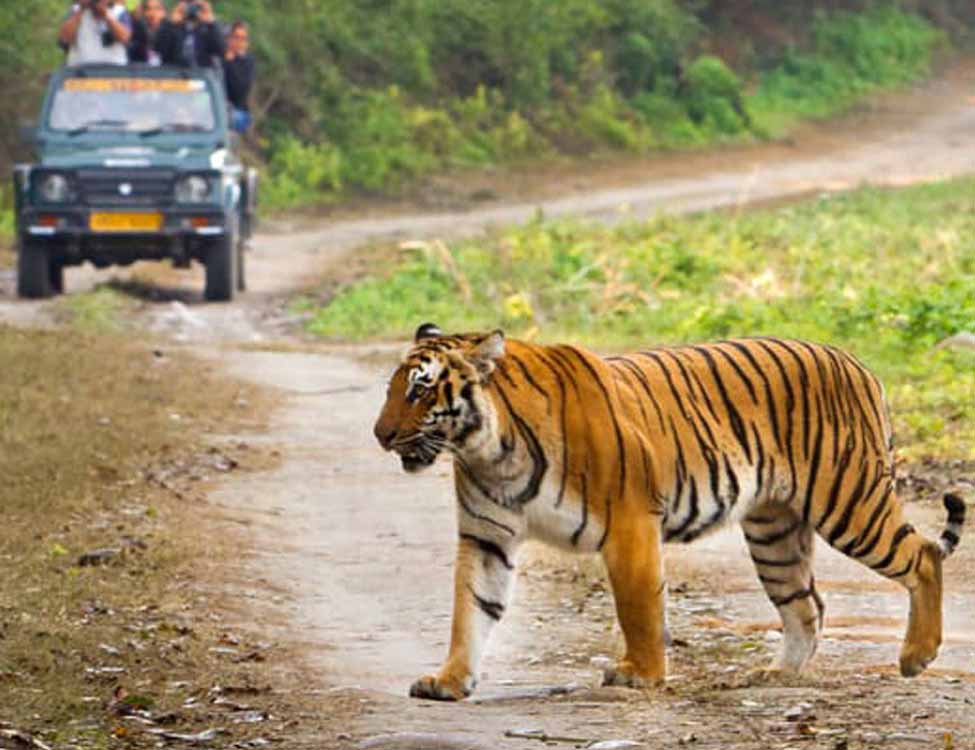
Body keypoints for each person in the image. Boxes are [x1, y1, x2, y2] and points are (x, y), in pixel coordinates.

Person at [58, 0, 132, 66]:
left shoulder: (119, 11)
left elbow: (125, 37)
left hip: (113, 69)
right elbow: (64, 38)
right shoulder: (75, 10)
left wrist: (105, 16)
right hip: (80, 70)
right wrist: (81, 9)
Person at [153, 1, 223, 68]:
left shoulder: (208, 28)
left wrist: (211, 23)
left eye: (195, 5)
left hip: (201, 74)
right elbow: (159, 49)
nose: (191, 8)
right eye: (187, 3)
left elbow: (220, 50)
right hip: (173, 75)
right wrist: (170, 23)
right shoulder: (171, 26)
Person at [222, 21, 255, 133]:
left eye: (243, 39)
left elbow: (240, 91)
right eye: (236, 37)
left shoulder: (247, 62)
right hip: (216, 106)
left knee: (231, 118)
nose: (239, 42)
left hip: (237, 110)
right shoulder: (219, 58)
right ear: (228, 39)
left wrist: (230, 64)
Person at [128, 0, 167, 65]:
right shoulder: (137, 34)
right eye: (148, 9)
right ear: (143, 12)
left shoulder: (171, 34)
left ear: (164, 12)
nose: (153, 13)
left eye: (157, 9)